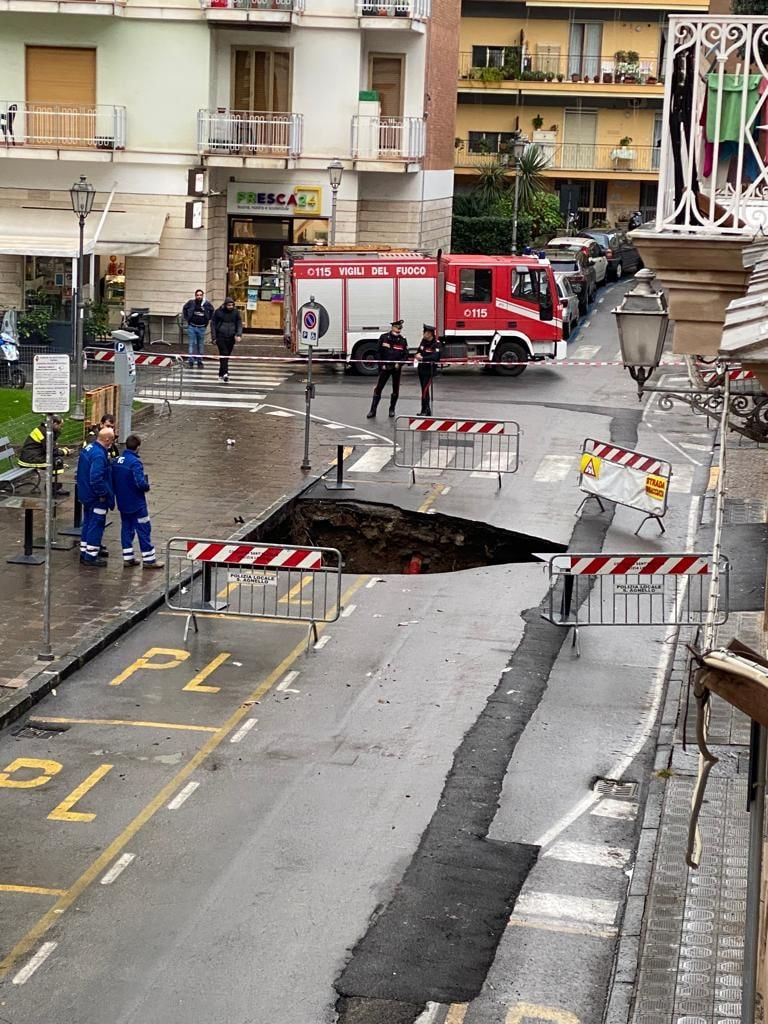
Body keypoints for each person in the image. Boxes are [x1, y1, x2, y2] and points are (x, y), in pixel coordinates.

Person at [112, 434, 163, 570]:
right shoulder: (135, 463)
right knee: (143, 528)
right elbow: (140, 483)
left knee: (126, 528)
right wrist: (147, 486)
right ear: (138, 447)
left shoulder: (117, 460)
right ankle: (149, 559)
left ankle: (128, 557)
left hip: (122, 501)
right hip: (136, 502)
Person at [76, 427, 115, 568]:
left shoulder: (89, 448)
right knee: (96, 524)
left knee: (87, 522)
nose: (112, 442)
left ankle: (85, 551)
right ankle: (91, 556)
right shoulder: (99, 455)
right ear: (106, 439)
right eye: (112, 439)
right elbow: (96, 478)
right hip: (96, 498)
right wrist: (103, 494)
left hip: (86, 494)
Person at [18, 415, 72, 496]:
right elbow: (51, 450)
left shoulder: (44, 429)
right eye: (60, 426)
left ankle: (51, 486)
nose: (61, 428)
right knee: (57, 462)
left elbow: (49, 448)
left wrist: (61, 450)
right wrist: (65, 452)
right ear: (54, 423)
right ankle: (54, 488)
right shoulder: (46, 433)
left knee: (57, 460)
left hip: (31, 457)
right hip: (29, 460)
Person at [367, 319, 410, 420]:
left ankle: (392, 409)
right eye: (396, 328)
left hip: (396, 368)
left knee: (395, 390)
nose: (398, 330)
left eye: (399, 329)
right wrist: (381, 364)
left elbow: (405, 355)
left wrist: (399, 364)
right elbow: (377, 352)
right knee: (378, 389)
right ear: (392, 327)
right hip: (385, 367)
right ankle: (372, 410)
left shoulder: (402, 340)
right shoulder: (384, 337)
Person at [212, 297, 243, 383]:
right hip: (220, 336)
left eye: (232, 305)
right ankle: (226, 373)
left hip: (231, 336)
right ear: (225, 305)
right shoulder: (218, 312)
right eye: (229, 305)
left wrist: (238, 334)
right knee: (224, 353)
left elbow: (239, 323)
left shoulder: (236, 313)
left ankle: (220, 374)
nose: (230, 307)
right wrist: (214, 337)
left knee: (225, 356)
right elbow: (213, 324)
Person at [182, 289, 214, 370]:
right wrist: (187, 318)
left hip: (202, 327)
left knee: (200, 345)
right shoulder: (191, 302)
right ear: (195, 295)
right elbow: (185, 308)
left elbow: (212, 310)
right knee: (192, 344)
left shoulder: (206, 303)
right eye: (197, 295)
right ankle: (191, 361)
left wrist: (208, 318)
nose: (199, 296)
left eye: (200, 295)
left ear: (203, 295)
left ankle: (200, 361)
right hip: (192, 326)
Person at [415, 324, 441, 416]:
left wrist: (423, 358)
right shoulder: (423, 341)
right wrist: (417, 355)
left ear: (430, 334)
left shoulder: (436, 343)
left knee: (425, 390)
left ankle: (425, 410)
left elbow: (435, 357)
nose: (423, 334)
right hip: (421, 370)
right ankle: (425, 410)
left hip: (429, 371)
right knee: (423, 390)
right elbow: (419, 351)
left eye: (425, 332)